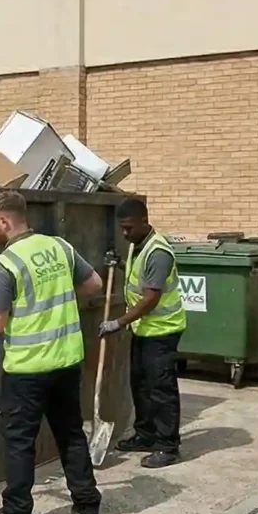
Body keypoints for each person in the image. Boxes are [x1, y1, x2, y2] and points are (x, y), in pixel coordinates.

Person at [0, 190, 103, 514]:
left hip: (27, 369)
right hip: (66, 361)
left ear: (5, 221)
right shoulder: (59, 247)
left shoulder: (6, 264)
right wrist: (58, 302)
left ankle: (18, 513)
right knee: (71, 434)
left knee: (20, 443)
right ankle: (87, 505)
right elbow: (95, 284)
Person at [99, 198, 187, 469]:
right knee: (140, 383)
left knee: (161, 388)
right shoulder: (138, 247)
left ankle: (167, 445)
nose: (124, 233)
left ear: (143, 221)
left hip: (162, 331)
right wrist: (121, 265)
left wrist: (118, 322)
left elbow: (150, 298)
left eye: (128, 228)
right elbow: (141, 279)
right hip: (144, 330)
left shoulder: (158, 252)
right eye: (121, 228)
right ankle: (146, 434)